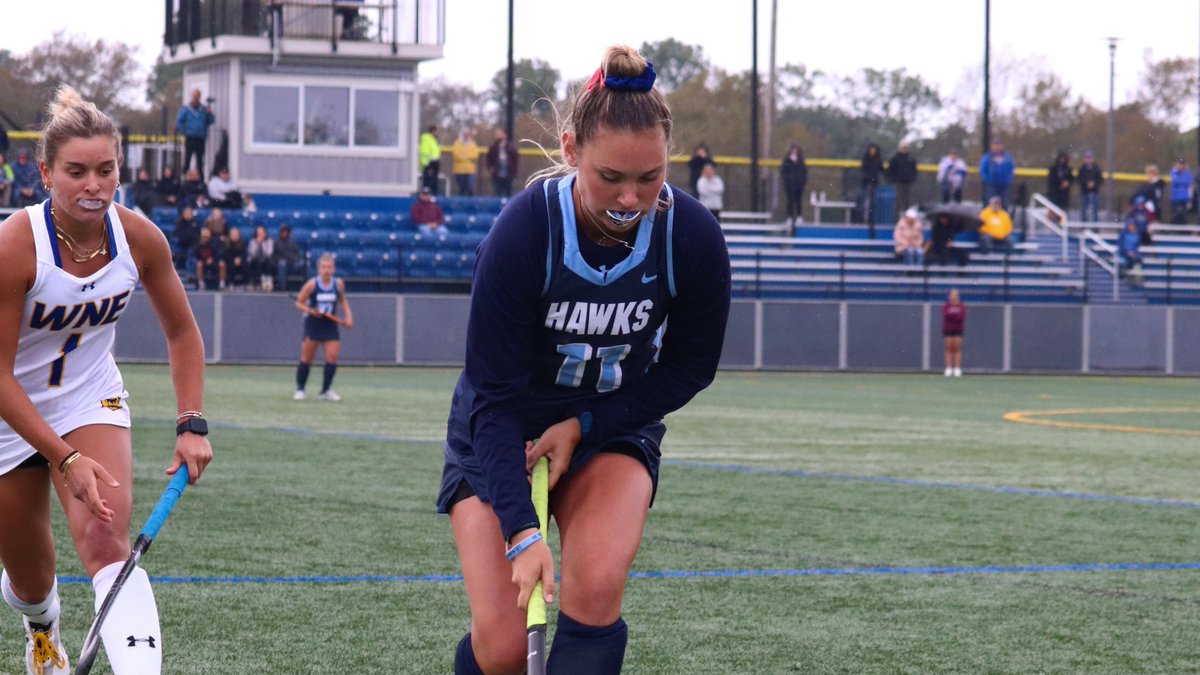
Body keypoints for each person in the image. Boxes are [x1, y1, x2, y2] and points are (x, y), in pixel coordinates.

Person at [438, 44, 730, 675]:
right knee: (508, 649)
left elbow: (688, 369)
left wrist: (585, 427)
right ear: (570, 151)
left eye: (649, 179)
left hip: (610, 426)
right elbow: (491, 398)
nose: (630, 199)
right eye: (611, 178)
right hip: (501, 433)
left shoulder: (693, 238)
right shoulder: (522, 233)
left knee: (594, 589)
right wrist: (522, 531)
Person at [0, 84, 212, 675]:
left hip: (90, 396)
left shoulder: (140, 238)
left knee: (105, 540)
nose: (93, 185)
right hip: (9, 411)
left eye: (105, 169)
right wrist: (63, 459)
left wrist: (190, 420)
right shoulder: (16, 246)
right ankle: (42, 631)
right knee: (30, 577)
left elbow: (183, 334)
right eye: (76, 171)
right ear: (45, 173)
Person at [293, 253, 353, 401]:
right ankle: (300, 389)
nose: (326, 270)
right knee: (307, 358)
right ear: (319, 269)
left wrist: (349, 317)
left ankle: (325, 391)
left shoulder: (338, 284)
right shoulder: (312, 284)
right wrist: (310, 311)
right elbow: (298, 303)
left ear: (334, 269)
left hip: (329, 324)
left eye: (329, 267)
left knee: (332, 358)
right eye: (324, 267)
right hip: (314, 324)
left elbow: (343, 301)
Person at [175, 89, 215, 178]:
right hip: (190, 136)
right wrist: (183, 131)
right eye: (194, 96)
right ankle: (184, 177)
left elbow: (211, 121)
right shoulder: (186, 109)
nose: (195, 98)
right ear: (192, 97)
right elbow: (179, 121)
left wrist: (210, 114)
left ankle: (200, 178)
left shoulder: (204, 109)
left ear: (199, 97)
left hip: (200, 137)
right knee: (187, 158)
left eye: (197, 96)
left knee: (200, 159)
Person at [979, 138, 1015, 208]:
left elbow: (1011, 169)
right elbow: (983, 169)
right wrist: (988, 179)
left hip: (1004, 185)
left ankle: (1003, 218)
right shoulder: (988, 156)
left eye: (999, 145)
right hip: (991, 185)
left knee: (1004, 205)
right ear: (992, 146)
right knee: (990, 205)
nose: (997, 147)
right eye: (995, 145)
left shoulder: (1007, 157)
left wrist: (1008, 179)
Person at [780, 143, 807, 230]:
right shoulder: (787, 161)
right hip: (790, 185)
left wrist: (802, 182)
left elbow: (804, 172)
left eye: (796, 150)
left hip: (798, 185)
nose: (794, 151)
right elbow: (783, 172)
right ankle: (789, 218)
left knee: (798, 201)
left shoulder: (801, 161)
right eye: (793, 150)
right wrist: (787, 182)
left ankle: (799, 217)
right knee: (790, 201)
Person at [885, 142, 918, 213]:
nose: (904, 149)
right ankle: (897, 220)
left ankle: (906, 219)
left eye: (906, 148)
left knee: (907, 201)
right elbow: (889, 170)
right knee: (898, 201)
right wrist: (892, 179)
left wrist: (912, 178)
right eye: (903, 148)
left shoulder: (911, 158)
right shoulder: (895, 158)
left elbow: (914, 170)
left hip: (908, 182)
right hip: (898, 182)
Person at [486, 128, 519, 198]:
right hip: (497, 174)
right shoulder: (493, 147)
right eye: (497, 135)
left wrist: (514, 171)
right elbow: (489, 160)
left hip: (508, 173)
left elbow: (515, 159)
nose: (499, 136)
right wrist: (491, 169)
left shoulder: (510, 147)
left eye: (500, 135)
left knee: (508, 192)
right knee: (497, 192)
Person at [859, 143, 884, 237]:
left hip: (874, 185)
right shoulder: (865, 160)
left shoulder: (878, 160)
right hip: (866, 184)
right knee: (865, 203)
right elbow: (863, 171)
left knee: (872, 205)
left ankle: (871, 223)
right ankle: (863, 220)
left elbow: (882, 170)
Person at [192, 225, 226, 290]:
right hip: (203, 262)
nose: (205, 238)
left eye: (206, 236)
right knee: (199, 264)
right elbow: (196, 255)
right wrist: (204, 260)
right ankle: (201, 284)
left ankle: (222, 284)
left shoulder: (214, 243)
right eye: (203, 236)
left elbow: (218, 253)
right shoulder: (197, 244)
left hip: (214, 261)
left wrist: (212, 259)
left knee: (222, 264)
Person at [942, 288, 965, 377]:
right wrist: (955, 316)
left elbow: (961, 317)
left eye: (955, 295)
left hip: (958, 329)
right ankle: (948, 368)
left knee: (957, 348)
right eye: (952, 295)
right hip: (948, 329)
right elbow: (946, 315)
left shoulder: (962, 306)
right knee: (948, 348)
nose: (953, 297)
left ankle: (957, 368)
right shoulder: (946, 305)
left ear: (958, 296)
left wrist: (952, 316)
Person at [452, 129, 481, 196]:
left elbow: (475, 155)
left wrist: (465, 157)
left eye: (467, 134)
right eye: (465, 134)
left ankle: (470, 203)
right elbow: (456, 156)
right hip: (459, 170)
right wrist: (468, 157)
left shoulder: (472, 144)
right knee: (462, 188)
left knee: (470, 188)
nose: (466, 136)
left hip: (470, 170)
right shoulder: (457, 144)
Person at [274, 223, 303, 291]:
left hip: (292, 265)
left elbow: (297, 255)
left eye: (286, 232)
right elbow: (275, 257)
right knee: (282, 263)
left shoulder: (293, 243)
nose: (284, 233)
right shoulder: (276, 242)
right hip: (280, 266)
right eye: (283, 232)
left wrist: (293, 259)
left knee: (303, 263)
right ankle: (282, 287)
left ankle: (304, 286)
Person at [246, 224, 275, 290]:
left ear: (265, 233)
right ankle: (256, 282)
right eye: (259, 233)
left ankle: (266, 280)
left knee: (267, 261)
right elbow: (252, 253)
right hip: (255, 260)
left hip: (265, 260)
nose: (260, 235)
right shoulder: (252, 241)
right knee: (255, 261)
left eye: (262, 233)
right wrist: (258, 243)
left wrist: (262, 244)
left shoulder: (269, 241)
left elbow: (269, 253)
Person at [173, 205, 200, 271]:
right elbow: (177, 233)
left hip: (193, 243)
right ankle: (177, 268)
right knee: (176, 248)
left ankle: (190, 271)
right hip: (182, 242)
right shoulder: (180, 222)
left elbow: (198, 234)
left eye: (189, 213)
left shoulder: (195, 223)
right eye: (186, 213)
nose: (188, 215)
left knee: (191, 251)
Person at [1077, 151, 1102, 222]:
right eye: (1087, 158)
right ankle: (1083, 226)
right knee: (1084, 209)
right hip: (1084, 192)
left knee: (1095, 210)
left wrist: (1094, 183)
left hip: (1094, 192)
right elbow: (1079, 178)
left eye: (1090, 158)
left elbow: (1100, 179)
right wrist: (1086, 183)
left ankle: (1095, 227)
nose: (1089, 159)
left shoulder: (1096, 168)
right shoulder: (1082, 168)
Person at [1168, 158, 1192, 225]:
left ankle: (1185, 233)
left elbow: (1188, 182)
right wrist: (1181, 181)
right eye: (1180, 164)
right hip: (1175, 199)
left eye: (1182, 164)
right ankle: (1174, 231)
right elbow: (1175, 181)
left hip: (1184, 199)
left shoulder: (1187, 173)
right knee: (1174, 216)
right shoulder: (1174, 172)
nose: (1181, 166)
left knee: (1184, 217)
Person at [419, 125, 441, 194]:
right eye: (437, 131)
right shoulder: (427, 140)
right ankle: (427, 200)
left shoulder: (433, 140)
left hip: (433, 166)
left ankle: (433, 200)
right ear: (433, 132)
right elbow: (424, 153)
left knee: (433, 183)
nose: (438, 133)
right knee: (429, 184)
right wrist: (427, 165)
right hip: (429, 167)